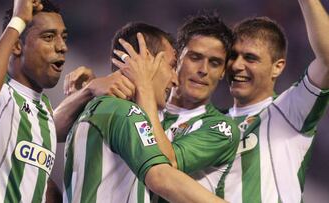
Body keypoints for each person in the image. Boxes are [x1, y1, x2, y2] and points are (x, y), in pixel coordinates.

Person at [63, 22, 233, 203]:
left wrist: (88, 91)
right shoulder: (126, 112)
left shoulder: (98, 106)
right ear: (144, 61)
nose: (175, 79)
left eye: (215, 63)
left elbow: (52, 129)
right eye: (171, 65)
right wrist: (142, 86)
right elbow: (161, 175)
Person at [200, 0, 329, 202]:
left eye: (250, 58)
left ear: (277, 67)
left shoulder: (288, 110)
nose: (237, 65)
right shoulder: (208, 123)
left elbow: (326, 61)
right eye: (233, 56)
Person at [0, 0, 66, 202]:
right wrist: (18, 20)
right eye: (48, 37)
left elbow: (35, 180)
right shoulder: (0, 94)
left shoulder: (44, 109)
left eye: (63, 37)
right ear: (16, 45)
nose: (62, 46)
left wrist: (88, 92)